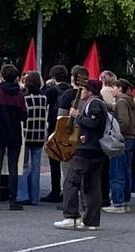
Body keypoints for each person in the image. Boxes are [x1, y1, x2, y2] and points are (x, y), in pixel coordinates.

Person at [54, 79, 106, 230]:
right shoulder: (99, 103)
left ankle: (71, 216)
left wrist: (77, 116)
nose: (80, 92)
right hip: (96, 150)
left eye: (83, 89)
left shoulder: (94, 103)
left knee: (71, 181)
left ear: (90, 91)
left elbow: (92, 123)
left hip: (86, 149)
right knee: (92, 185)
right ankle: (91, 221)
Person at [0, 65, 27, 211]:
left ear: (2, 76)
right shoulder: (20, 95)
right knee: (13, 167)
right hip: (15, 133)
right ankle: (13, 200)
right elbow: (23, 116)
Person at [103, 78, 135, 213]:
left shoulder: (121, 102)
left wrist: (115, 131)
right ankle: (125, 200)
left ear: (120, 88)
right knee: (126, 170)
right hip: (130, 138)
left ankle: (118, 202)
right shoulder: (128, 101)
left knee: (116, 171)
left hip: (121, 139)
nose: (112, 90)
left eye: (114, 87)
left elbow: (124, 121)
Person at [16, 72, 47, 205]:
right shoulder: (44, 98)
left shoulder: (24, 98)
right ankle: (35, 197)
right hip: (39, 135)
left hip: (26, 134)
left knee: (23, 166)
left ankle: (22, 195)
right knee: (36, 168)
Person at [42, 65, 71, 203]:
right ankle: (68, 190)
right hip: (68, 128)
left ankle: (55, 191)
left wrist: (46, 87)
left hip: (54, 127)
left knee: (54, 161)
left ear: (53, 77)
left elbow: (43, 101)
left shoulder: (52, 91)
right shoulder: (71, 90)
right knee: (67, 160)